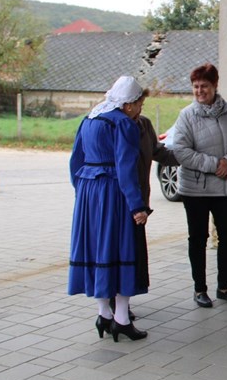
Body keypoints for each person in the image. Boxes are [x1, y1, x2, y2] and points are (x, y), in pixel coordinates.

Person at [68, 76, 150, 342]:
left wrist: (84, 193)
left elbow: (75, 161)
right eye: (139, 104)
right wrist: (137, 205)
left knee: (99, 250)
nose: (140, 110)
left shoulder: (89, 119)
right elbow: (126, 169)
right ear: (128, 104)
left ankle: (104, 314)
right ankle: (122, 319)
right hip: (114, 192)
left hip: (89, 192)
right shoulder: (124, 124)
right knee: (122, 249)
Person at [172, 63, 227, 308]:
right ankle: (199, 289)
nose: (199, 91)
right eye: (195, 86)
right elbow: (181, 151)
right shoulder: (187, 115)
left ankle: (224, 287)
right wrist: (215, 164)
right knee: (198, 239)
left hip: (226, 189)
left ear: (215, 85)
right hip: (196, 190)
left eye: (204, 86)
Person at [108, 105, 179, 321]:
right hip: (118, 201)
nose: (138, 109)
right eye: (135, 103)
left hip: (139, 200)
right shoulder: (112, 124)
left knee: (133, 254)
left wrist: (189, 157)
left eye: (140, 104)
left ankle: (122, 302)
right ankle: (114, 304)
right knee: (116, 253)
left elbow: (158, 151)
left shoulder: (144, 124)